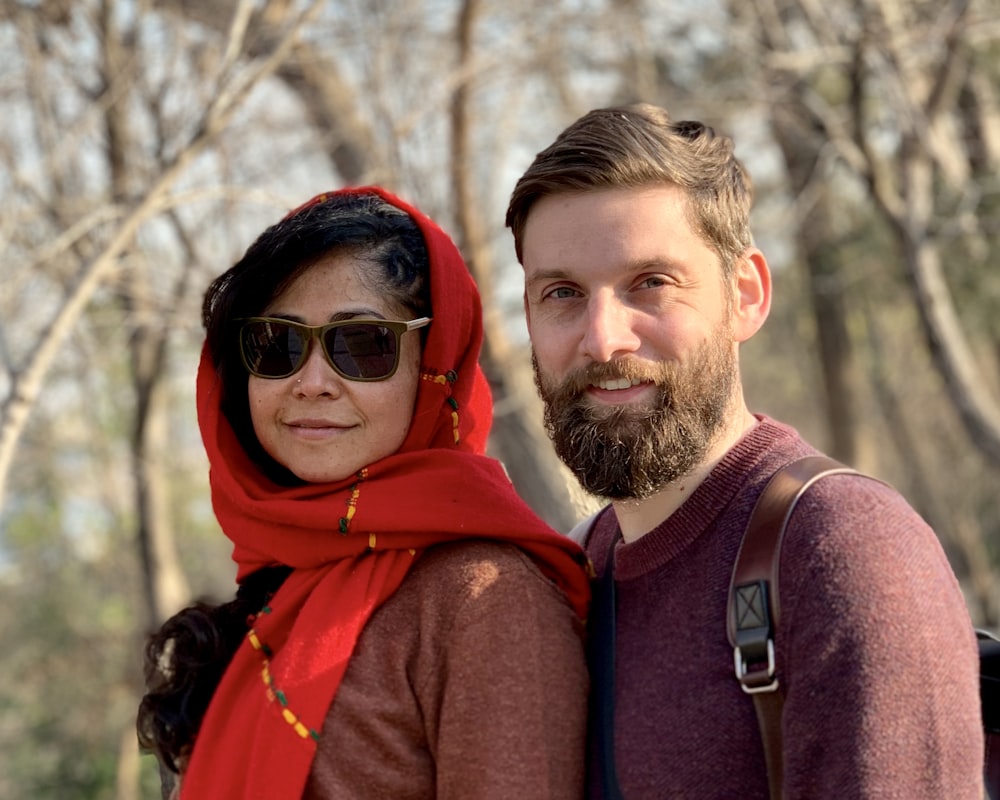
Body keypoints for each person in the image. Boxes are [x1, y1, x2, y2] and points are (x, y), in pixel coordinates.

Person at [505, 103, 984, 799]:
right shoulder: (574, 576)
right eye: (562, 294)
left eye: (651, 284)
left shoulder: (845, 551)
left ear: (746, 295)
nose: (602, 338)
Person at [136, 186, 591, 800]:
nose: (313, 382)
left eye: (364, 345)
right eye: (278, 345)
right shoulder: (279, 585)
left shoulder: (484, 598)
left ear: (434, 366)